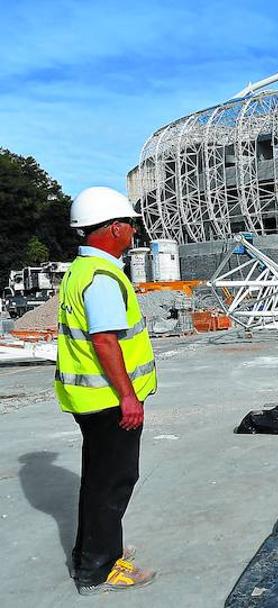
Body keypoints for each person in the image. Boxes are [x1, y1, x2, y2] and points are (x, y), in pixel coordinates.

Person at [54, 186, 158, 595]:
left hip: (91, 399)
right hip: (109, 400)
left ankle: (95, 552)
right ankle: (98, 570)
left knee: (99, 480)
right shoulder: (101, 277)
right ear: (113, 228)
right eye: (129, 224)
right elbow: (105, 341)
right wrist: (128, 397)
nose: (133, 232)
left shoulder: (80, 270)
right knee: (113, 482)